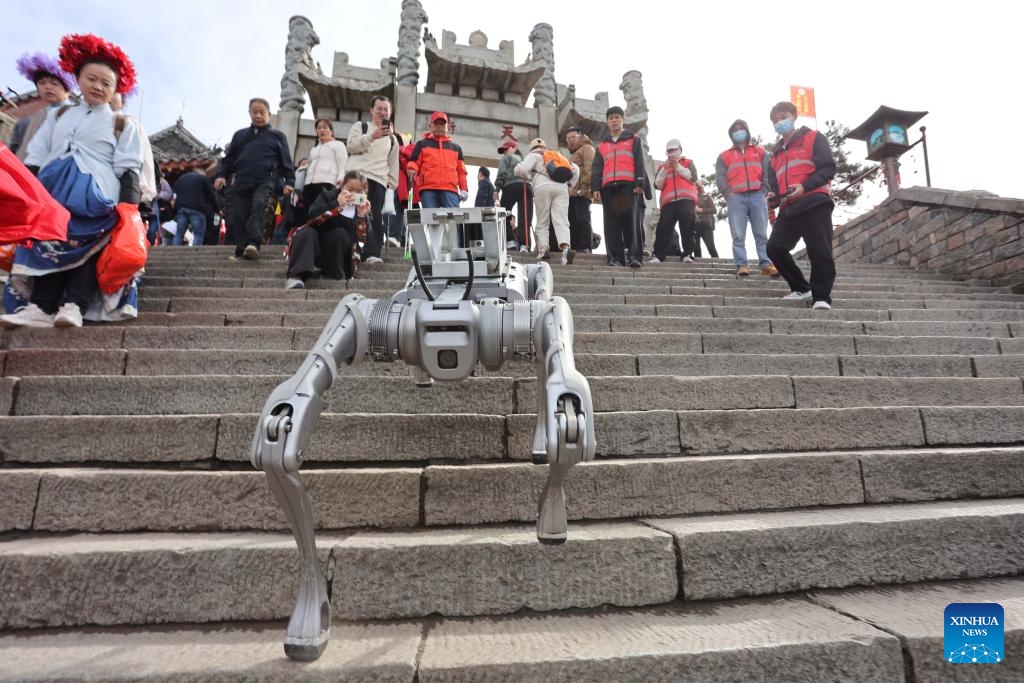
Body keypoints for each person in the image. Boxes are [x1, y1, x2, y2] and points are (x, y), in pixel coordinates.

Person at [2, 33, 144, 329]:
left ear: (116, 90)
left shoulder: (123, 124)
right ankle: (40, 307)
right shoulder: (60, 115)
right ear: (77, 78)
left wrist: (128, 208)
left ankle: (75, 305)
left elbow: (129, 166)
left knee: (91, 249)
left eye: (107, 83)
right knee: (48, 246)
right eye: (92, 79)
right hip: (51, 194)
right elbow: (37, 153)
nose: (98, 87)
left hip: (98, 195)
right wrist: (24, 191)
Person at [764, 101, 837, 310]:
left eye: (783, 117)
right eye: (776, 120)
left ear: (794, 116)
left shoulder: (813, 137)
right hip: (788, 207)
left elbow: (828, 168)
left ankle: (821, 296)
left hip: (814, 200)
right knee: (775, 247)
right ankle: (801, 287)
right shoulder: (775, 154)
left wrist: (805, 186)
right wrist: (774, 197)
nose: (780, 122)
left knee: (819, 250)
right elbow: (775, 185)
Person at [214, 97, 295, 260]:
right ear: (250, 113)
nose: (258, 115)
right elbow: (229, 159)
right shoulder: (240, 135)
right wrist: (222, 175)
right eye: (254, 112)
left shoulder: (278, 136)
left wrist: (289, 181)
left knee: (259, 206)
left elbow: (287, 160)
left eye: (261, 112)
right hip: (242, 180)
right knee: (239, 214)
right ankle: (241, 249)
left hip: (267, 180)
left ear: (269, 114)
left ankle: (253, 243)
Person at [285, 170, 369, 289]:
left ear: (365, 193)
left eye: (358, 191)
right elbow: (312, 214)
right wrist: (336, 203)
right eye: (350, 189)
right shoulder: (328, 195)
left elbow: (361, 243)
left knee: (339, 234)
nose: (353, 194)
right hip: (315, 246)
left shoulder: (363, 210)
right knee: (307, 232)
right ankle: (296, 276)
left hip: (339, 254)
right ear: (342, 186)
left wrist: (361, 217)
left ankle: (332, 275)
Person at [715, 118, 778, 277]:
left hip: (757, 195)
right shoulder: (724, 156)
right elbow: (720, 177)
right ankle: (741, 264)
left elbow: (767, 172)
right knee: (737, 234)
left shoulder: (760, 151)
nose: (738, 132)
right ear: (731, 134)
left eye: (741, 128)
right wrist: (728, 193)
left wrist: (764, 189)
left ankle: (766, 263)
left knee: (761, 233)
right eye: (735, 130)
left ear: (747, 131)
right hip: (736, 198)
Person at [591, 106, 649, 267]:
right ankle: (615, 258)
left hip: (628, 186)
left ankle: (634, 257)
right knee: (611, 225)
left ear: (622, 120)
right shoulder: (602, 145)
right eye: (611, 118)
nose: (614, 120)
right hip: (609, 188)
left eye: (617, 117)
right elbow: (597, 168)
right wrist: (595, 187)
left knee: (631, 222)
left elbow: (640, 162)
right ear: (607, 122)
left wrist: (640, 182)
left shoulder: (634, 139)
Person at [345, 95, 400, 264]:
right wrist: (372, 136)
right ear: (371, 110)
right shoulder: (360, 126)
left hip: (378, 180)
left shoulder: (392, 139)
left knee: (375, 216)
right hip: (356, 177)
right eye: (380, 108)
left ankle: (372, 252)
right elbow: (351, 146)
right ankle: (351, 248)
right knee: (351, 213)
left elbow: (393, 162)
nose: (383, 112)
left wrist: (392, 182)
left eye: (386, 109)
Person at [514, 138, 578, 265]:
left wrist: (517, 168)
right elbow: (575, 169)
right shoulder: (557, 155)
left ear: (532, 148)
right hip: (562, 187)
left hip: (542, 187)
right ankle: (566, 249)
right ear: (545, 147)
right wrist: (570, 185)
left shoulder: (533, 155)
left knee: (543, 220)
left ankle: (543, 248)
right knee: (561, 220)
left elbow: (523, 170)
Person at [9, 52, 75, 160]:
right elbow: (14, 153)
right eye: (42, 83)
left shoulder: (80, 115)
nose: (48, 87)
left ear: (68, 91)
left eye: (54, 83)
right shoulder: (25, 122)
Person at [407, 111, 468, 209]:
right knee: (431, 222)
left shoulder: (456, 148)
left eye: (442, 124)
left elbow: (461, 171)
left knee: (453, 221)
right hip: (428, 189)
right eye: (436, 123)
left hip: (450, 189)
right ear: (430, 125)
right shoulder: (421, 144)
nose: (439, 126)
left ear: (447, 126)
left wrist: (464, 189)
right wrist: (412, 168)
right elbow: (413, 162)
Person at [652, 139, 699, 264]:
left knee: (687, 226)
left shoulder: (688, 162)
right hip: (669, 201)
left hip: (686, 199)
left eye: (674, 150)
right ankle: (658, 255)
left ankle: (687, 254)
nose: (672, 153)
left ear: (680, 150)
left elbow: (693, 178)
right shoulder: (662, 166)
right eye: (669, 151)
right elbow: (657, 185)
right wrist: (665, 170)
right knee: (663, 227)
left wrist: (678, 167)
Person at [494, 140, 532, 251]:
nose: (505, 152)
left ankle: (510, 241)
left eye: (507, 149)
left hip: (511, 185)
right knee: (525, 217)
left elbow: (501, 174)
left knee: (504, 212)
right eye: (504, 151)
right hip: (527, 186)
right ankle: (524, 245)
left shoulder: (506, 158)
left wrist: (497, 189)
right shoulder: (526, 160)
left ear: (515, 148)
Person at [565, 127, 595, 254]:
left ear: (581, 136)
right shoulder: (572, 155)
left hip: (582, 191)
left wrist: (585, 185)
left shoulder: (587, 148)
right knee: (573, 221)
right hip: (571, 194)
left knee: (583, 219)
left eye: (573, 137)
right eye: (568, 138)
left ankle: (586, 246)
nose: (571, 140)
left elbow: (590, 168)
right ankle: (576, 246)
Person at [172, 168, 219, 246]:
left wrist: (174, 210)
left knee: (179, 233)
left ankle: (173, 252)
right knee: (198, 234)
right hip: (197, 209)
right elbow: (211, 195)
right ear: (201, 173)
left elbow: (174, 195)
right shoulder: (203, 178)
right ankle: (195, 253)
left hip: (181, 208)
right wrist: (217, 209)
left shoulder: (181, 178)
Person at [694, 186, 719, 258]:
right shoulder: (690, 198)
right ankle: (697, 268)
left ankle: (716, 265)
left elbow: (714, 210)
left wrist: (701, 210)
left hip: (706, 225)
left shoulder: (706, 197)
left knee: (711, 248)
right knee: (696, 249)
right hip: (694, 225)